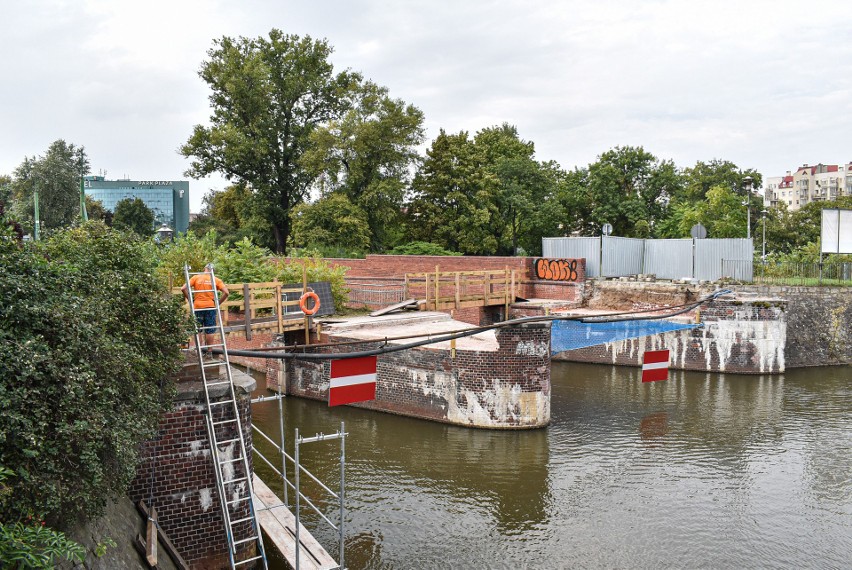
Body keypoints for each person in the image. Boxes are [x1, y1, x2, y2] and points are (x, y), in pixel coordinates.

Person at [181, 263, 229, 354]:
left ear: (204, 269)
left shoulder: (195, 277)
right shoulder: (216, 280)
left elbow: (183, 288)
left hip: (197, 307)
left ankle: (199, 349)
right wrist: (218, 303)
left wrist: (190, 300)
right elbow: (226, 293)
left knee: (197, 328)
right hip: (210, 307)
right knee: (210, 329)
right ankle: (209, 352)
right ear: (213, 271)